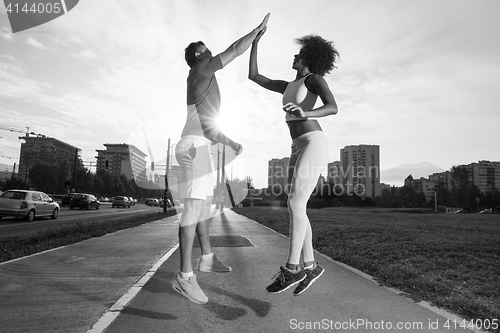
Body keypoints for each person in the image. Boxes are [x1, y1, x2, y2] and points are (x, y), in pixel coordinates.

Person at [171, 13, 270, 305]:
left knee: (200, 210)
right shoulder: (202, 67)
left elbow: (207, 122)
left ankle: (207, 259)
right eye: (208, 50)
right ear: (200, 55)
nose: (214, 53)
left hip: (199, 144)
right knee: (192, 212)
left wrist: (229, 142)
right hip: (195, 148)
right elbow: (236, 48)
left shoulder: (202, 78)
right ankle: (185, 277)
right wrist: (256, 31)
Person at [249, 30, 339, 296]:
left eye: (299, 53)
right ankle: (310, 267)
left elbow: (332, 106)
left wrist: (306, 112)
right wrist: (255, 43)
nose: (295, 55)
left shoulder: (314, 79)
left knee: (295, 204)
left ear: (309, 58)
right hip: (296, 146)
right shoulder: (288, 85)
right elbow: (255, 76)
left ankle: (292, 269)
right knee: (297, 206)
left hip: (313, 142)